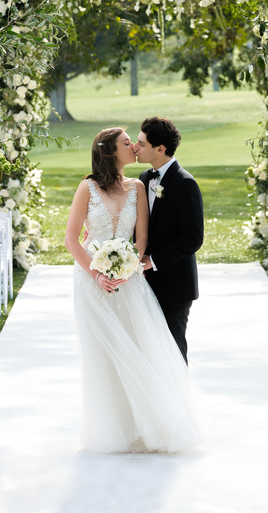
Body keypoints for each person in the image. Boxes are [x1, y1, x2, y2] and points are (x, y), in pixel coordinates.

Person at [64, 126, 201, 453]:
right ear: (111, 151)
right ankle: (112, 428)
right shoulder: (87, 188)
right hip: (92, 283)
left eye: (137, 142)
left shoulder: (140, 185)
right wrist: (97, 274)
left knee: (139, 347)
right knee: (102, 354)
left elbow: (141, 239)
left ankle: (147, 424)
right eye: (128, 143)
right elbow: (71, 239)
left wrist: (127, 267)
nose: (135, 147)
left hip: (130, 281)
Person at [134, 116, 204, 364]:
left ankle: (180, 401)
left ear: (160, 149)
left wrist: (152, 260)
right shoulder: (144, 178)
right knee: (149, 349)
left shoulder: (185, 183)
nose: (135, 147)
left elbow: (193, 238)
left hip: (175, 285)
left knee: (173, 349)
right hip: (145, 282)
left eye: (141, 143)